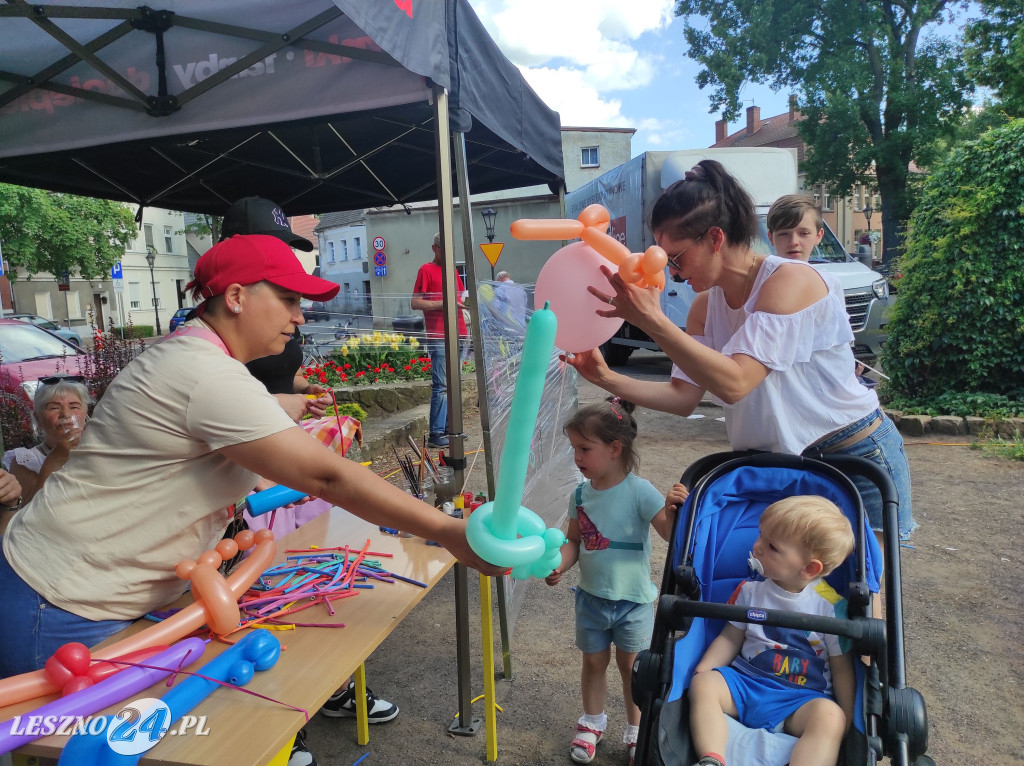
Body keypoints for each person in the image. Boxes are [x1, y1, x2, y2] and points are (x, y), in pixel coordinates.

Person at [0, 233, 501, 680]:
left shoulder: (199, 358)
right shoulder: (203, 372)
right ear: (236, 297)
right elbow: (328, 478)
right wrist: (448, 532)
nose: (300, 317)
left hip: (84, 589)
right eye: (288, 300)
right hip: (64, 599)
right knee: (77, 739)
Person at [566, 160, 915, 543]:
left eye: (675, 258)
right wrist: (604, 376)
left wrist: (653, 321)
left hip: (852, 457)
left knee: (865, 580)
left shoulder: (791, 280)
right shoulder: (704, 307)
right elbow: (683, 397)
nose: (672, 273)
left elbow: (736, 382)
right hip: (783, 467)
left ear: (715, 239)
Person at [544, 397, 685, 765]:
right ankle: (592, 722)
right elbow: (574, 541)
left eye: (584, 448)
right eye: (574, 448)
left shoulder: (640, 491)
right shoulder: (580, 494)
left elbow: (668, 533)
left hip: (633, 603)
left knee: (632, 670)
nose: (577, 456)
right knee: (593, 664)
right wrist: (560, 564)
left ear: (615, 448)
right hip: (591, 599)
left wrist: (672, 509)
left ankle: (636, 730)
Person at [688, 496, 856, 766]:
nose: (756, 546)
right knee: (704, 685)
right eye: (760, 535)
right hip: (746, 684)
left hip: (800, 699)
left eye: (772, 546)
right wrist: (704, 670)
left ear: (809, 568)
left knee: (830, 718)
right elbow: (730, 637)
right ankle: (712, 758)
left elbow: (842, 669)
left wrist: (847, 718)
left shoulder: (831, 608)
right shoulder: (749, 591)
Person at [1, 374, 90, 514]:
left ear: (85, 413)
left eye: (74, 407)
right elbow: (26, 516)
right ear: (38, 419)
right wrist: (55, 458)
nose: (65, 414)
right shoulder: (25, 460)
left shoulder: (100, 450)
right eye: (54, 408)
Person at [411, 232, 467, 448]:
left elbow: (459, 298)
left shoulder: (452, 270)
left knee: (454, 384)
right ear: (434, 248)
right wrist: (443, 304)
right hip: (439, 334)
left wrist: (466, 304)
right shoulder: (426, 270)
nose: (449, 254)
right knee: (442, 384)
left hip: (459, 332)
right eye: (445, 249)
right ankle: (436, 433)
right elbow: (416, 303)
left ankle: (450, 429)